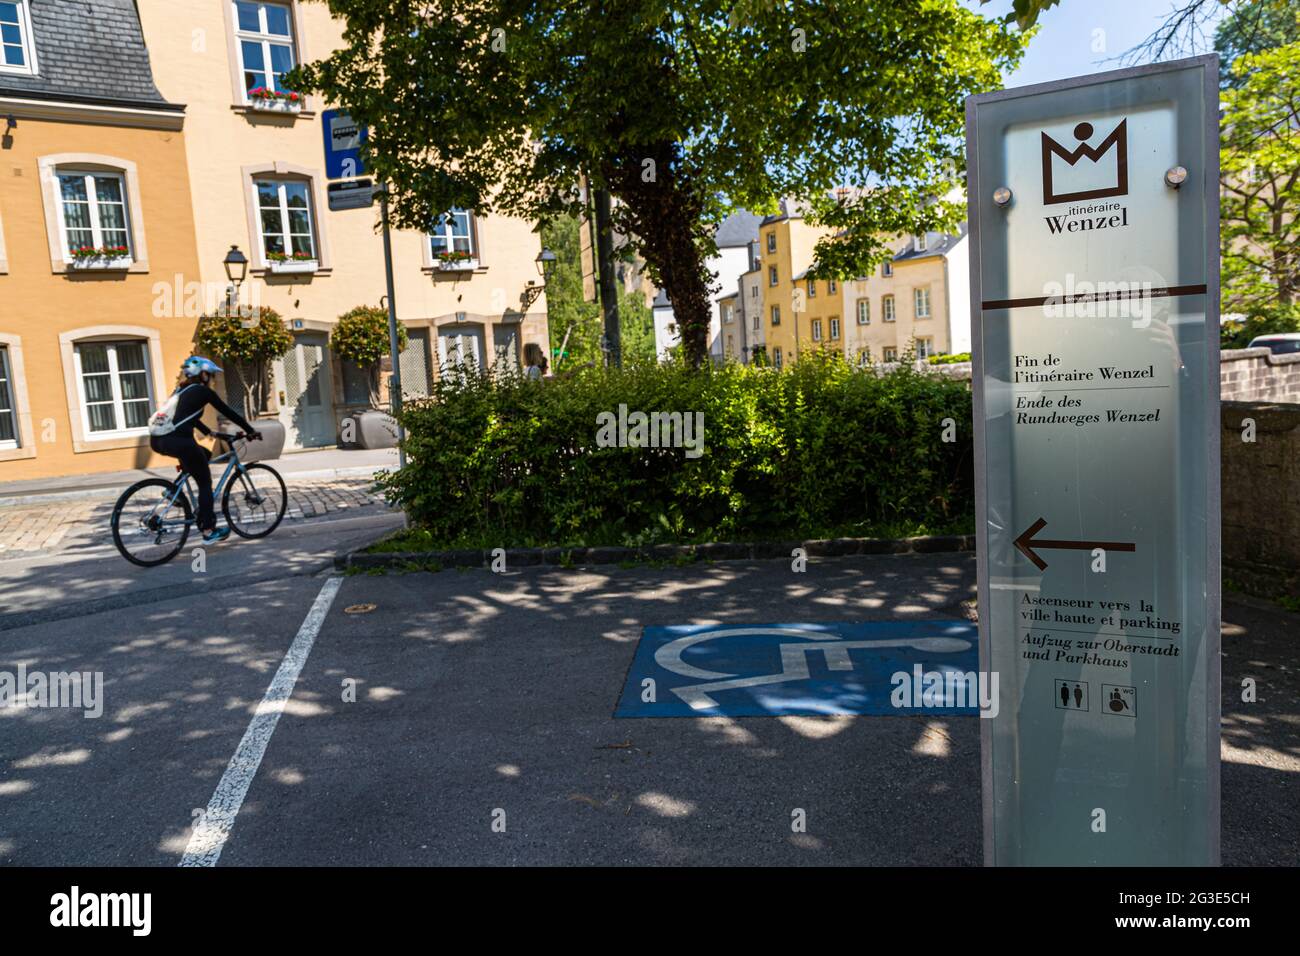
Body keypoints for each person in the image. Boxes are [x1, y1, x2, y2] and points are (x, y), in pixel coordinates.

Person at [149, 356, 261, 543]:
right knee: (204, 482)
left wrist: (210, 432)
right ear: (202, 374)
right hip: (179, 441)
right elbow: (227, 411)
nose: (212, 379)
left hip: (159, 440)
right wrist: (250, 430)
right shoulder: (202, 391)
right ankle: (209, 530)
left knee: (204, 455)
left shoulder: (181, 390)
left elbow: (188, 417)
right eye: (210, 375)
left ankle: (173, 491)